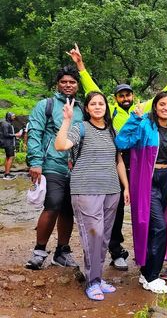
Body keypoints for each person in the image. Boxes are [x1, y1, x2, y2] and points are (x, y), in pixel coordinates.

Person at [67, 43, 167, 270]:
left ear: (133, 96)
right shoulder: (109, 109)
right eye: (121, 95)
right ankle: (116, 251)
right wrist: (80, 66)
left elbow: (165, 98)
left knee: (145, 213)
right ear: (114, 98)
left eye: (128, 94)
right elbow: (92, 90)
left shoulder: (142, 110)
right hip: (115, 160)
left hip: (142, 164)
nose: (125, 97)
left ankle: (148, 257)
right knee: (115, 210)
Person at [55, 92, 129, 301]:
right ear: (87, 109)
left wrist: (126, 187)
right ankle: (92, 281)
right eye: (93, 104)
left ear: (106, 107)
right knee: (93, 234)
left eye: (101, 103)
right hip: (85, 188)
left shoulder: (112, 131)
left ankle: (98, 277)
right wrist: (67, 120)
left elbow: (119, 161)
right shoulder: (81, 128)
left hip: (111, 189)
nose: (98, 107)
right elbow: (61, 145)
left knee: (104, 237)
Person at [115, 91, 167, 294]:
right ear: (155, 107)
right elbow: (121, 142)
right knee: (159, 227)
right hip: (147, 182)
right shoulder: (145, 125)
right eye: (162, 104)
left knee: (155, 229)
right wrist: (134, 119)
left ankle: (146, 273)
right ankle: (152, 276)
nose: (166, 108)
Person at [25, 66, 83, 270]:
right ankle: (39, 250)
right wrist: (35, 162)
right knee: (53, 204)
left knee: (68, 209)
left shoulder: (81, 109)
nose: (68, 85)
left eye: (72, 82)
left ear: (77, 85)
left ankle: (62, 251)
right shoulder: (46, 105)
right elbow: (34, 133)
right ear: (57, 84)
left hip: (75, 168)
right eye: (64, 82)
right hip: (51, 163)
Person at [0, 112, 19, 180]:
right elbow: (6, 134)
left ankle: (6, 173)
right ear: (9, 116)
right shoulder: (5, 124)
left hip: (8, 143)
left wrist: (15, 135)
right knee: (11, 157)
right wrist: (15, 135)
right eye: (12, 116)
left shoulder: (7, 123)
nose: (14, 117)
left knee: (8, 157)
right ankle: (7, 175)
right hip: (8, 143)